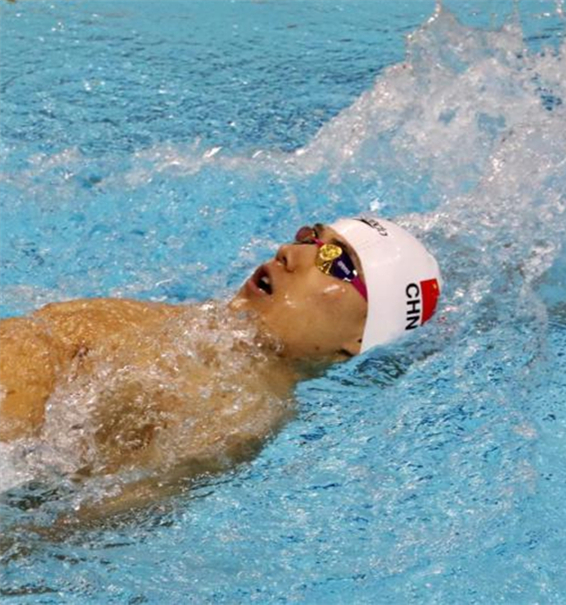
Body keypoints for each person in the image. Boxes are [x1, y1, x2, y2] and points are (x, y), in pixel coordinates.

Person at [0, 217, 441, 519]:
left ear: (357, 342)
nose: (290, 252)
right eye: (309, 238)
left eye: (335, 262)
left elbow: (93, 515)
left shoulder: (237, 414)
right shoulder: (182, 326)